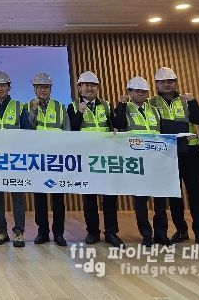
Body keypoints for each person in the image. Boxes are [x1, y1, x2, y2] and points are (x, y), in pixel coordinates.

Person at [149, 67, 199, 246]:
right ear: (157, 84)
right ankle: (181, 230)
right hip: (167, 153)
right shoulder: (151, 103)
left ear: (176, 83)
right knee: (174, 195)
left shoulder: (186, 100)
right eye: (162, 82)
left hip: (191, 152)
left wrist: (193, 102)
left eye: (170, 81)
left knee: (195, 193)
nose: (166, 85)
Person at [67, 70, 124, 247]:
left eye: (93, 85)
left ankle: (111, 233)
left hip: (106, 158)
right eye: (86, 85)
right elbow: (71, 131)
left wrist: (116, 128)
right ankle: (92, 232)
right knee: (90, 198)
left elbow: (115, 126)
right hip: (86, 159)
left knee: (110, 197)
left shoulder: (106, 105)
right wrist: (79, 113)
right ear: (79, 88)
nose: (90, 88)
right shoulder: (72, 106)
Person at [114, 76, 170, 247]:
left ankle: (161, 234)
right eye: (137, 91)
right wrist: (121, 105)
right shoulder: (123, 109)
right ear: (129, 92)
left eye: (144, 91)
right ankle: (146, 234)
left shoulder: (154, 111)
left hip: (156, 162)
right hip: (137, 162)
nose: (141, 94)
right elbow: (118, 124)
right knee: (140, 201)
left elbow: (162, 134)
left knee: (160, 201)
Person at [0, 71, 32, 248]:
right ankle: (1, 231)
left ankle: (19, 232)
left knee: (17, 198)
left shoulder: (19, 107)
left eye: (3, 85)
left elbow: (27, 132)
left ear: (9, 87)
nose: (0, 88)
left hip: (15, 160)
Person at [27, 72, 69, 247]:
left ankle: (59, 233)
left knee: (58, 199)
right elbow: (27, 130)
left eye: (46, 87)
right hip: (38, 160)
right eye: (40, 87)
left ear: (50, 89)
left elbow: (67, 133)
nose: (43, 90)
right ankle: (42, 232)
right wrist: (34, 111)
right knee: (40, 198)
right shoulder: (28, 106)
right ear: (35, 89)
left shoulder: (60, 107)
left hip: (56, 160)